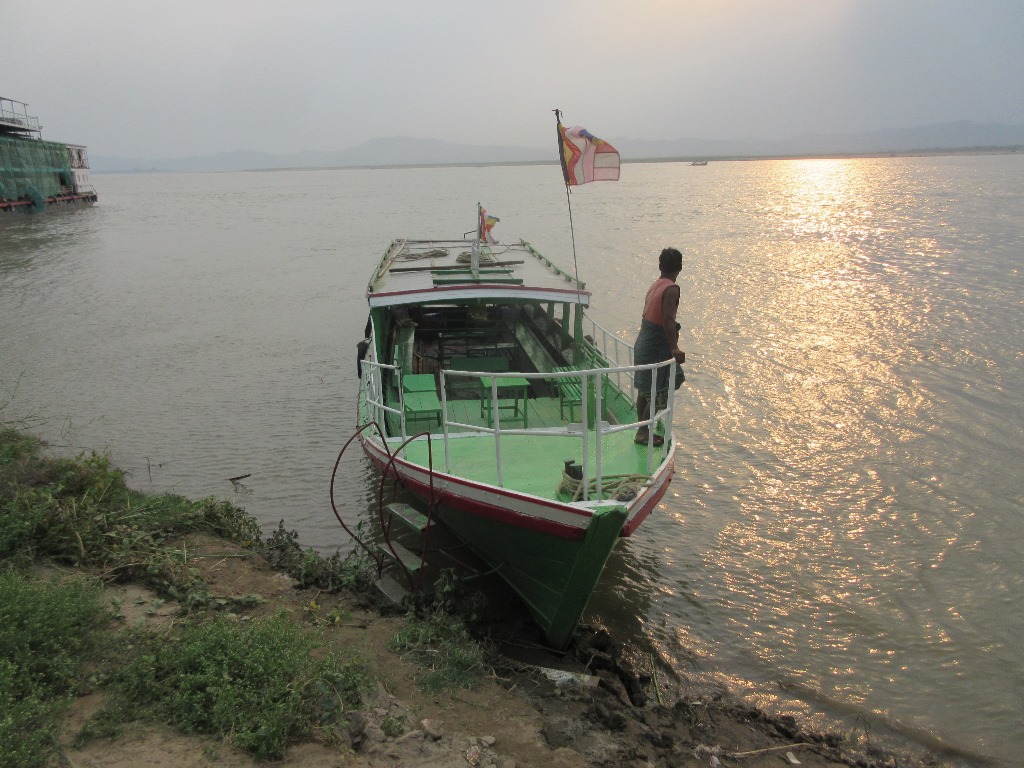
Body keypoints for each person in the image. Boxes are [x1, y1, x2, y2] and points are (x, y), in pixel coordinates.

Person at [634, 247, 686, 446]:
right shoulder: (671, 289)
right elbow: (667, 319)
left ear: (660, 266)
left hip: (644, 341)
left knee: (645, 390)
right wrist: (674, 348)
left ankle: (643, 430)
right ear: (680, 267)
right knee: (663, 386)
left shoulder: (656, 285)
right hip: (656, 344)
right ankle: (643, 432)